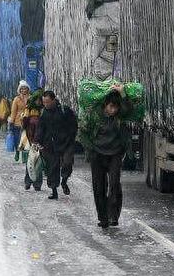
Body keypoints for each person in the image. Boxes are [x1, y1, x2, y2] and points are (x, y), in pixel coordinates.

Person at [80, 84, 131, 228]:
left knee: (115, 184)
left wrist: (123, 94)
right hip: (97, 154)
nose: (113, 110)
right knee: (99, 187)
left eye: (116, 108)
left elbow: (128, 110)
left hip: (115, 154)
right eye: (111, 107)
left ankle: (113, 216)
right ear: (105, 105)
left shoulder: (119, 117)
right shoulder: (94, 116)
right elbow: (83, 132)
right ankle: (103, 218)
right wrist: (91, 148)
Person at [34, 90, 78, 200]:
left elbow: (74, 125)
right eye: (44, 102)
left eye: (48, 102)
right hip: (50, 144)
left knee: (67, 163)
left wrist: (71, 137)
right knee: (52, 168)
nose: (46, 104)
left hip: (66, 142)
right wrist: (37, 141)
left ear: (54, 100)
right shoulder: (44, 113)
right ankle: (54, 190)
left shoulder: (65, 110)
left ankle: (64, 181)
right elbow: (40, 128)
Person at [21, 89, 44, 190]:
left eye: (41, 100)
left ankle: (36, 183)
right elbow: (24, 125)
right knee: (31, 161)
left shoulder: (42, 111)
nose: (39, 102)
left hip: (39, 139)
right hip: (30, 138)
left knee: (38, 162)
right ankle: (29, 182)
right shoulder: (29, 110)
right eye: (38, 100)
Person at [8, 81, 30, 151]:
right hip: (17, 122)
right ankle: (18, 152)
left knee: (26, 140)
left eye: (25, 88)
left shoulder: (31, 98)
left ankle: (23, 154)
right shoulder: (16, 99)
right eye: (22, 89)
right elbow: (13, 112)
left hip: (28, 122)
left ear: (28, 89)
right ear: (19, 90)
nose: (23, 90)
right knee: (18, 139)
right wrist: (11, 122)